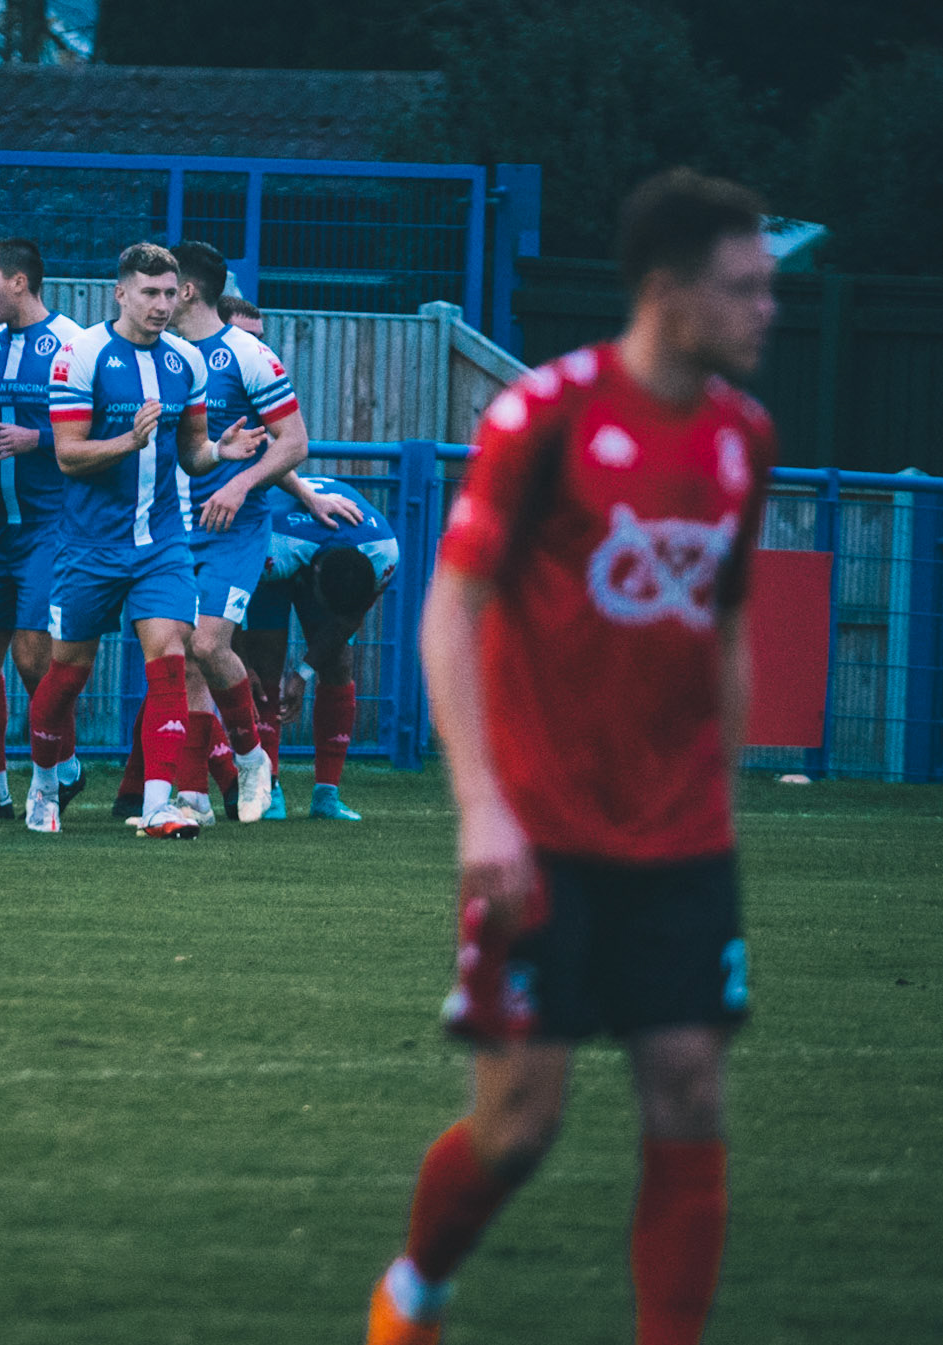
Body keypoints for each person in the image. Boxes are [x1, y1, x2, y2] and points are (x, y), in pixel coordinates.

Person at [364, 167, 778, 1345]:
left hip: (679, 834)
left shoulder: (743, 437)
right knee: (519, 1124)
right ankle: (414, 1295)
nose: (767, 310)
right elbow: (452, 607)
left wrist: (724, 794)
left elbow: (729, 626)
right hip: (540, 829)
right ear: (665, 291)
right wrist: (479, 803)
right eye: (744, 289)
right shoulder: (544, 414)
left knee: (690, 1087)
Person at [25, 241, 264, 837]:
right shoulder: (79, 355)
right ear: (121, 293)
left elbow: (190, 454)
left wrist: (218, 453)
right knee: (66, 675)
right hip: (89, 548)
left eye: (168, 293)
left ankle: (159, 805)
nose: (161, 305)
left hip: (161, 543)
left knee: (170, 657)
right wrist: (127, 443)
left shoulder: (188, 362)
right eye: (149, 293)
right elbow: (68, 456)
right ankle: (44, 782)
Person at [163, 240, 308, 825]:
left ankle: (251, 758)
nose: (160, 299)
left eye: (167, 288)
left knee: (207, 644)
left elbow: (295, 442)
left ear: (189, 291)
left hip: (233, 525)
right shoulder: (161, 352)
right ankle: (192, 792)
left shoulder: (246, 354)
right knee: (183, 658)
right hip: (170, 525)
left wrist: (240, 484)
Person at [0, 237, 85, 820]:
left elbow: (106, 429)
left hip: (52, 526)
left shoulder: (74, 346)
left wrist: (40, 439)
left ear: (20, 282)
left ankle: (62, 768)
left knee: (35, 660)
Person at [246, 473, 396, 821]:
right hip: (275, 536)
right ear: (313, 579)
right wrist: (242, 664)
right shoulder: (272, 548)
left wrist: (303, 674)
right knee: (265, 661)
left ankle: (327, 795)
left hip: (324, 547)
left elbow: (348, 618)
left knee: (338, 661)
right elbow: (227, 610)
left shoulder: (383, 553)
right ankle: (269, 788)